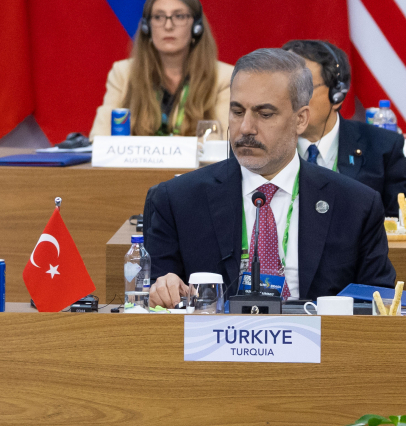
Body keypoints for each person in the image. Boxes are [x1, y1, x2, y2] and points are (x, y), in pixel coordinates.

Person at [147, 48, 394, 307]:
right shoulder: (177, 201)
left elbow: (379, 310)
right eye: (237, 111)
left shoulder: (356, 205)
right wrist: (164, 287)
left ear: (301, 119)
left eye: (265, 114)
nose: (246, 128)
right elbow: (154, 299)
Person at [90, 0, 232, 138]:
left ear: (196, 27)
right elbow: (99, 138)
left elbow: (225, 142)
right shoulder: (123, 73)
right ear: (147, 27)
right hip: (135, 163)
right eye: (158, 17)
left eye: (179, 16)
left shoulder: (224, 78)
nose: (168, 25)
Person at [282, 39, 406, 215]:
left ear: (337, 95)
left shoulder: (383, 148)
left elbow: (399, 224)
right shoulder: (263, 146)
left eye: (302, 88)